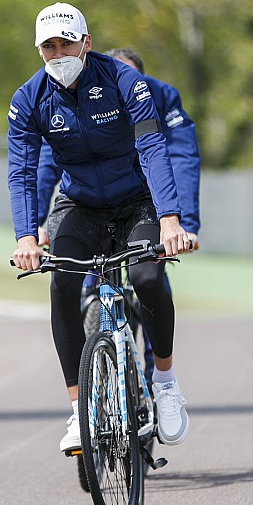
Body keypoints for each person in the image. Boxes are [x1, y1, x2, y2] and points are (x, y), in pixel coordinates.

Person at [9, 2, 193, 454]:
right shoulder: (27, 99)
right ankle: (79, 411)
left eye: (66, 43)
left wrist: (170, 219)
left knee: (149, 277)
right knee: (61, 286)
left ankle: (166, 385)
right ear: (38, 50)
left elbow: (153, 146)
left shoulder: (125, 81)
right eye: (47, 47)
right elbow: (23, 170)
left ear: (86, 43)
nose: (58, 54)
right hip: (80, 205)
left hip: (137, 202)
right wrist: (26, 235)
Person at [35, 46, 201, 383]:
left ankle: (159, 384)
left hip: (146, 201)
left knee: (149, 281)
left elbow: (180, 159)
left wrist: (183, 222)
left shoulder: (161, 96)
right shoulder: (77, 96)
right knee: (74, 276)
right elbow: (53, 159)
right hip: (92, 204)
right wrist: (37, 222)